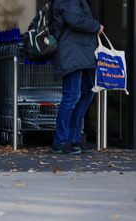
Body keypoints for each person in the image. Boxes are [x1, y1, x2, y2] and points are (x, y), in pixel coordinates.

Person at [51, 0, 104, 154]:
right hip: (72, 54)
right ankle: (61, 141)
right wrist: (97, 26)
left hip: (82, 53)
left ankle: (74, 139)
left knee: (87, 93)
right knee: (72, 96)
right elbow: (75, 20)